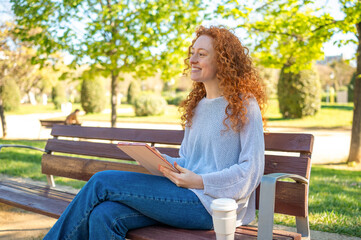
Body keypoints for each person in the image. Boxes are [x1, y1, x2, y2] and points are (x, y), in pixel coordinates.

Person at [43, 25, 267, 240]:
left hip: (214, 207)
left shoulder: (245, 105)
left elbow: (251, 171)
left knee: (102, 181)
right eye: (192, 53)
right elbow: (190, 160)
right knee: (105, 215)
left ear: (223, 61)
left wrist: (200, 181)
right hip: (185, 195)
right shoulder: (198, 106)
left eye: (202, 54)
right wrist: (158, 160)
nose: (192, 60)